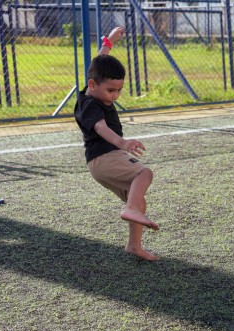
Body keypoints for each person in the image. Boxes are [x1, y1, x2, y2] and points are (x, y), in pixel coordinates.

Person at [74, 27, 159, 261]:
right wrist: (123, 143)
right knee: (144, 173)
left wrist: (109, 42)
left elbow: (99, 61)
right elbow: (101, 128)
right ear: (92, 85)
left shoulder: (91, 88)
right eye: (111, 90)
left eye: (119, 90)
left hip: (102, 161)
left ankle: (134, 246)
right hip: (106, 157)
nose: (115, 96)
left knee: (138, 198)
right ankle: (130, 209)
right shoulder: (90, 105)